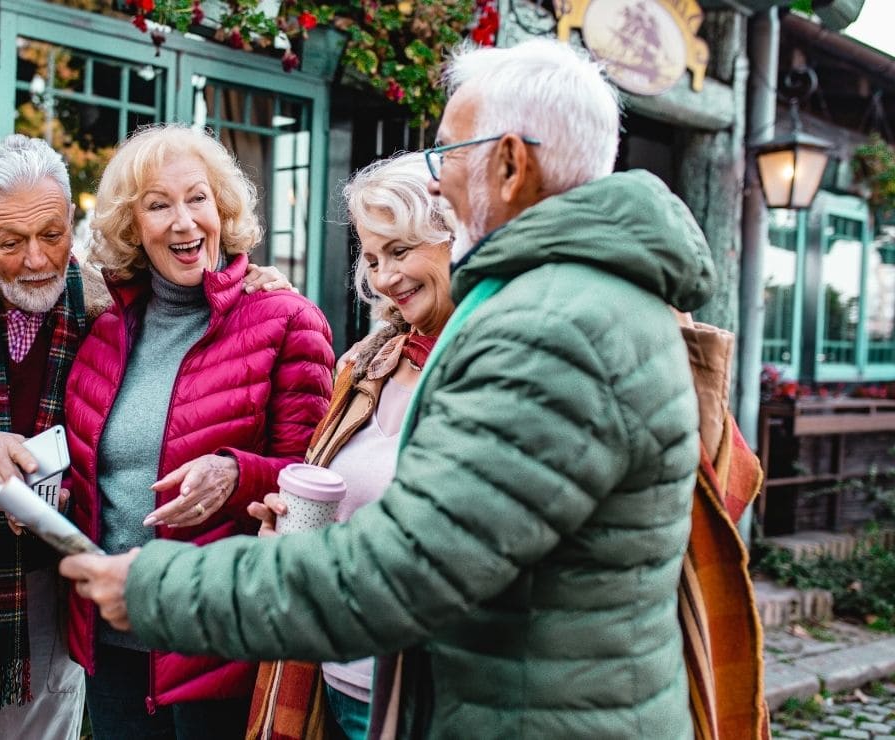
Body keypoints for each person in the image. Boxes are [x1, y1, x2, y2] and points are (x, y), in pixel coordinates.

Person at [60, 37, 717, 739]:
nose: (436, 182)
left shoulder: (553, 326)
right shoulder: (559, 299)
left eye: (447, 153)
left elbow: (406, 570)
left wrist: (157, 589)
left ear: (511, 162)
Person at [0, 133, 290, 738]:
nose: (39, 259)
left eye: (52, 234)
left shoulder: (110, 311)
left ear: (73, 220)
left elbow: (192, 290)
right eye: (12, 242)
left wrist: (241, 281)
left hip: (51, 585)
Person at [61, 123, 335, 738]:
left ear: (222, 208)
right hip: (113, 639)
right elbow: (92, 475)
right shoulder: (103, 332)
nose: (184, 222)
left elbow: (314, 482)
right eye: (159, 205)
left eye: (197, 198)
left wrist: (237, 474)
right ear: (133, 228)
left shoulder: (287, 320)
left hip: (218, 641)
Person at [244, 152, 454, 740]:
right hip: (331, 678)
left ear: (454, 237)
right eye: (372, 257)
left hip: (428, 696)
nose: (384, 278)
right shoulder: (366, 367)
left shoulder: (491, 376)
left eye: (401, 250)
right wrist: (284, 531)